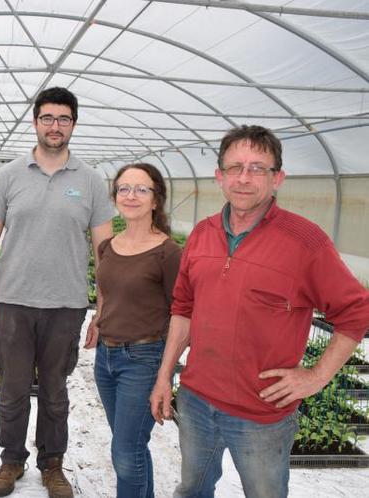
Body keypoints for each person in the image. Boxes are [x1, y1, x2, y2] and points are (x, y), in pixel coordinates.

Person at [149, 125, 369, 498]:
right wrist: (164, 375)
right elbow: (183, 309)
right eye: (235, 167)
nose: (244, 178)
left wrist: (316, 376)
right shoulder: (202, 234)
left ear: (277, 178)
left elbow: (355, 312)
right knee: (191, 489)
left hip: (262, 414)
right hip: (197, 401)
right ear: (219, 176)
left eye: (258, 168)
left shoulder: (305, 242)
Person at [0, 87, 116, 498]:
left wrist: (102, 309)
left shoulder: (91, 180)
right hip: (13, 302)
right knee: (13, 389)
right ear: (36, 121)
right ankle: (11, 460)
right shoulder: (9, 176)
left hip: (66, 304)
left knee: (56, 392)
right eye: (47, 118)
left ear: (73, 124)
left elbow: (105, 252)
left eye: (63, 119)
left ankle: (52, 463)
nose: (55, 126)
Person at [84, 163, 181, 498]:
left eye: (142, 189)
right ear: (115, 197)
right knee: (131, 446)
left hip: (143, 358)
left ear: (156, 200)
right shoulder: (108, 246)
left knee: (125, 453)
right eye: (124, 188)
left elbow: (181, 314)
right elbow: (108, 293)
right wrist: (98, 321)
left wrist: (165, 373)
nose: (132, 196)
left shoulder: (168, 252)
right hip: (106, 358)